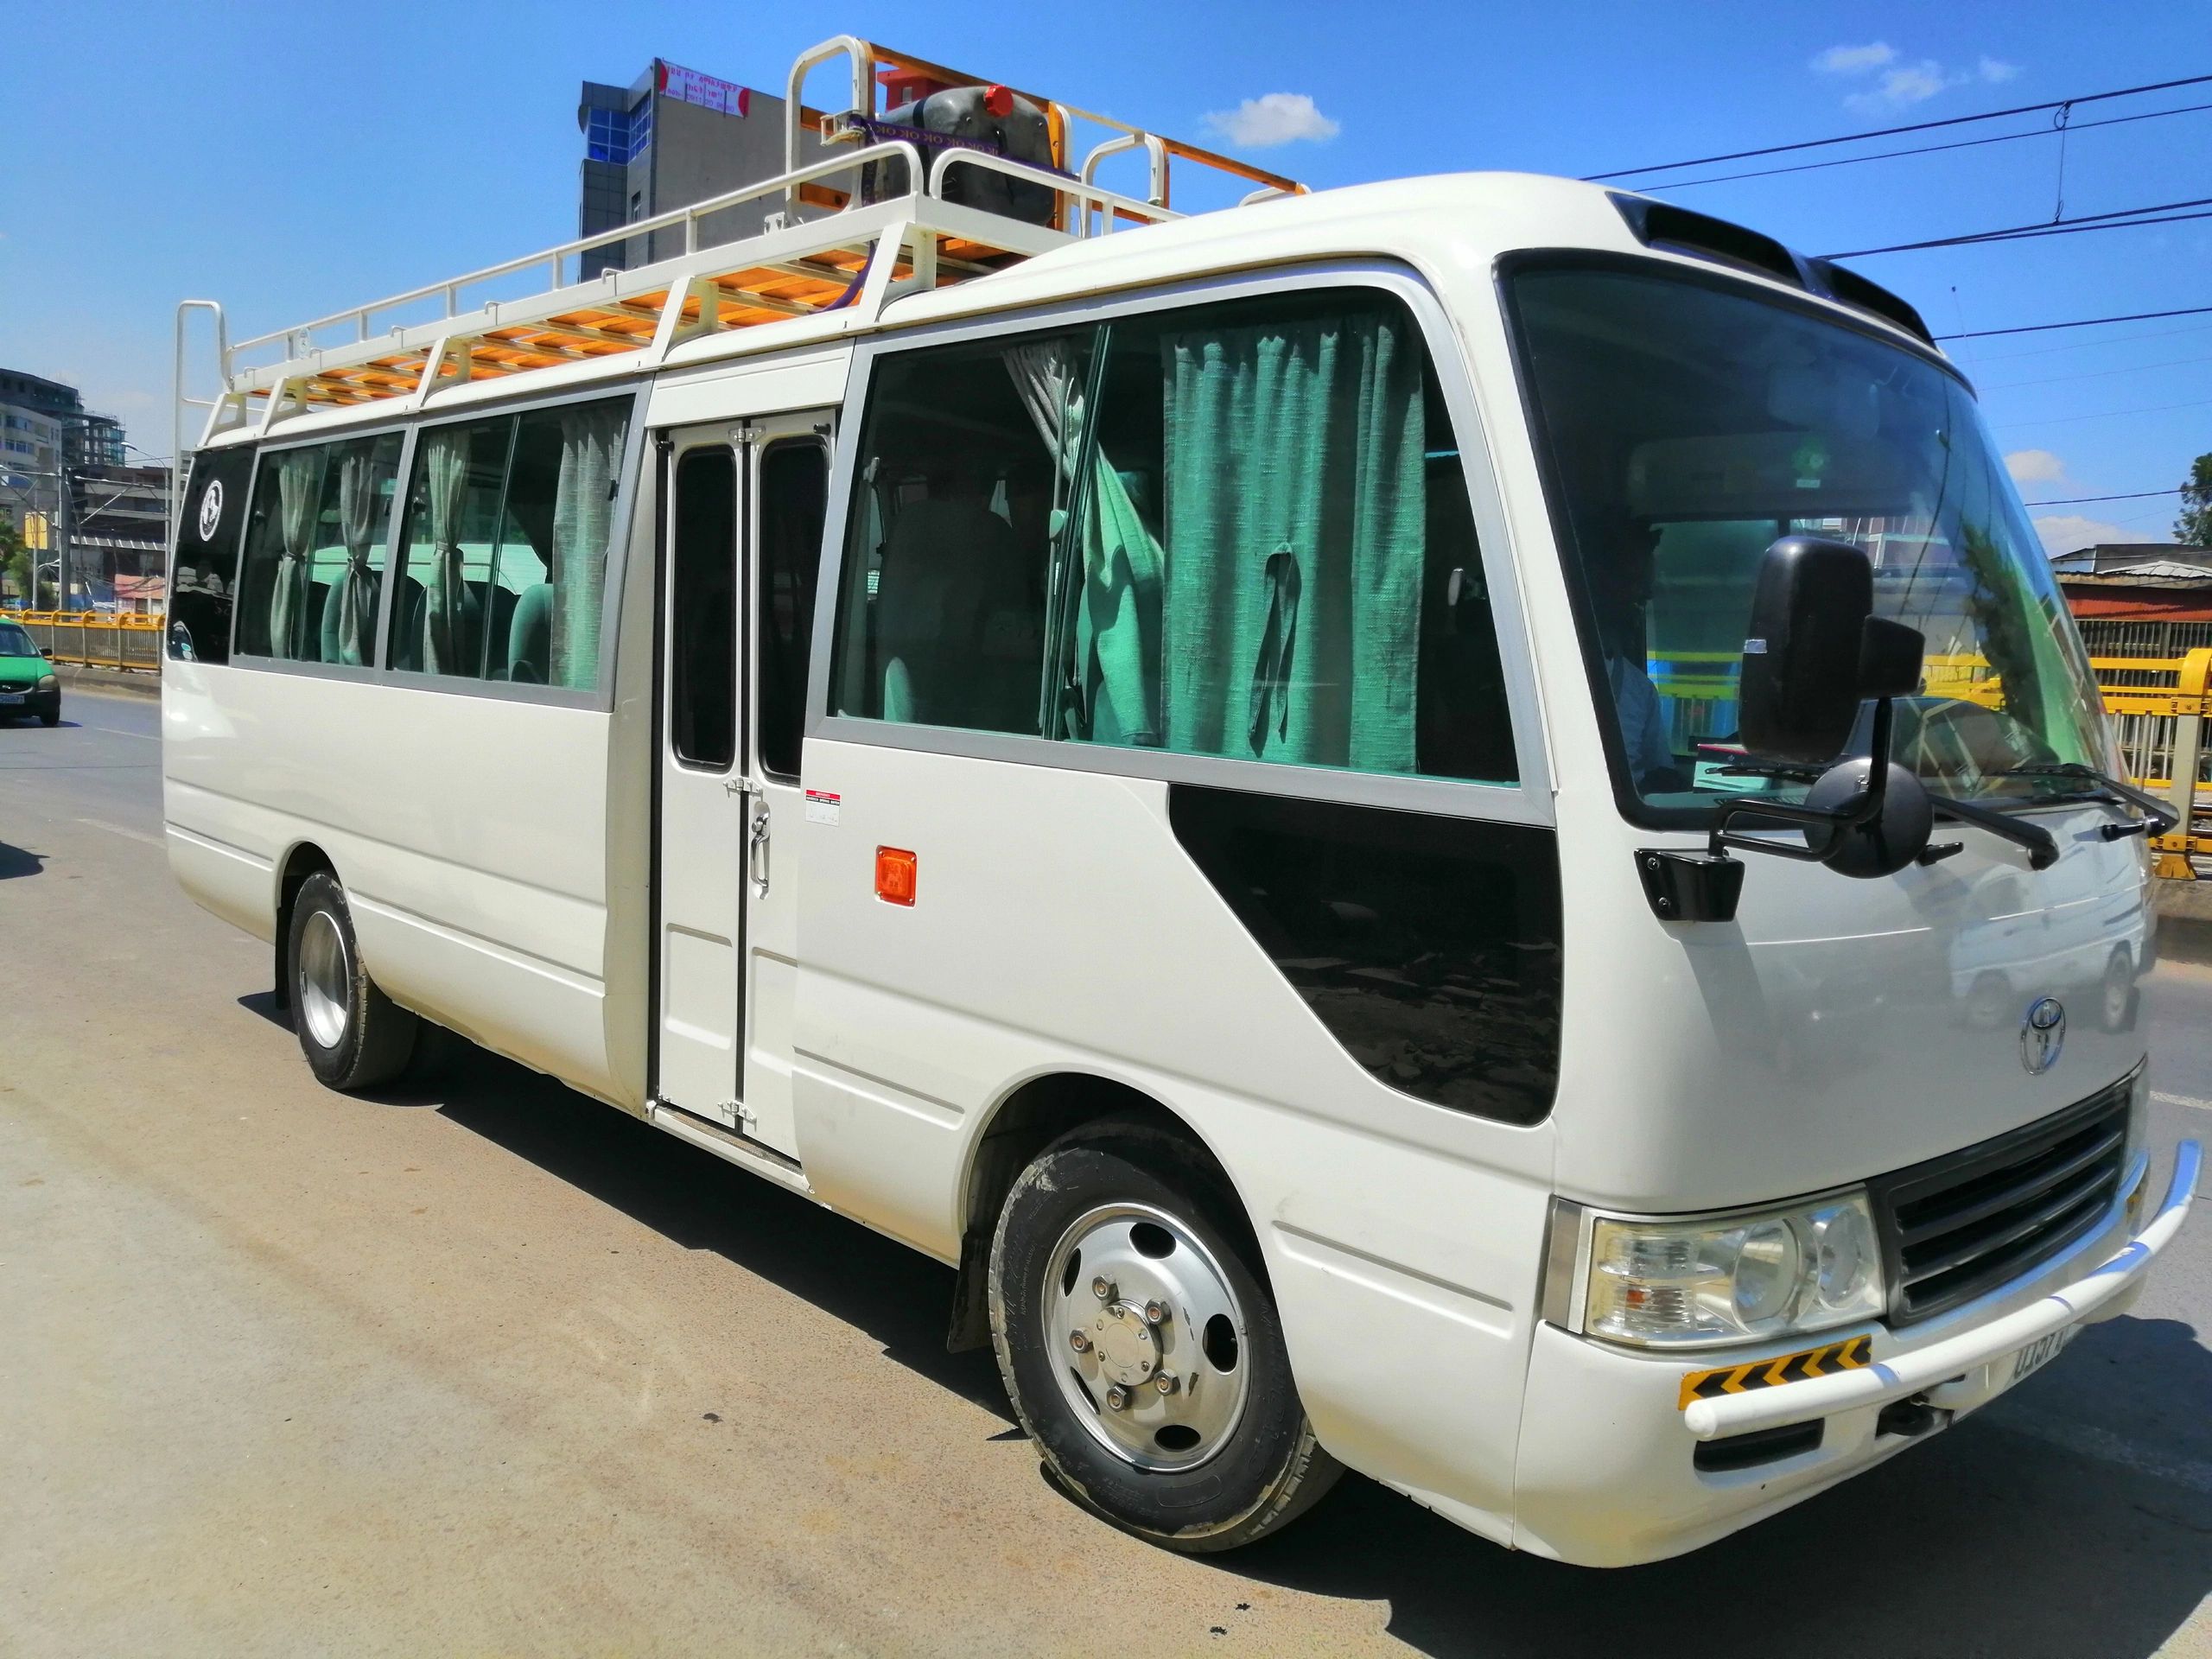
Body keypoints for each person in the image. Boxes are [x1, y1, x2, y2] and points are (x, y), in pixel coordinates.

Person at [1591, 521, 1687, 793]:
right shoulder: (1541, 677)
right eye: (1634, 581)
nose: (1648, 594)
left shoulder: (1641, 691)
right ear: (1595, 580)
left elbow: (1659, 773)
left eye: (1649, 584)